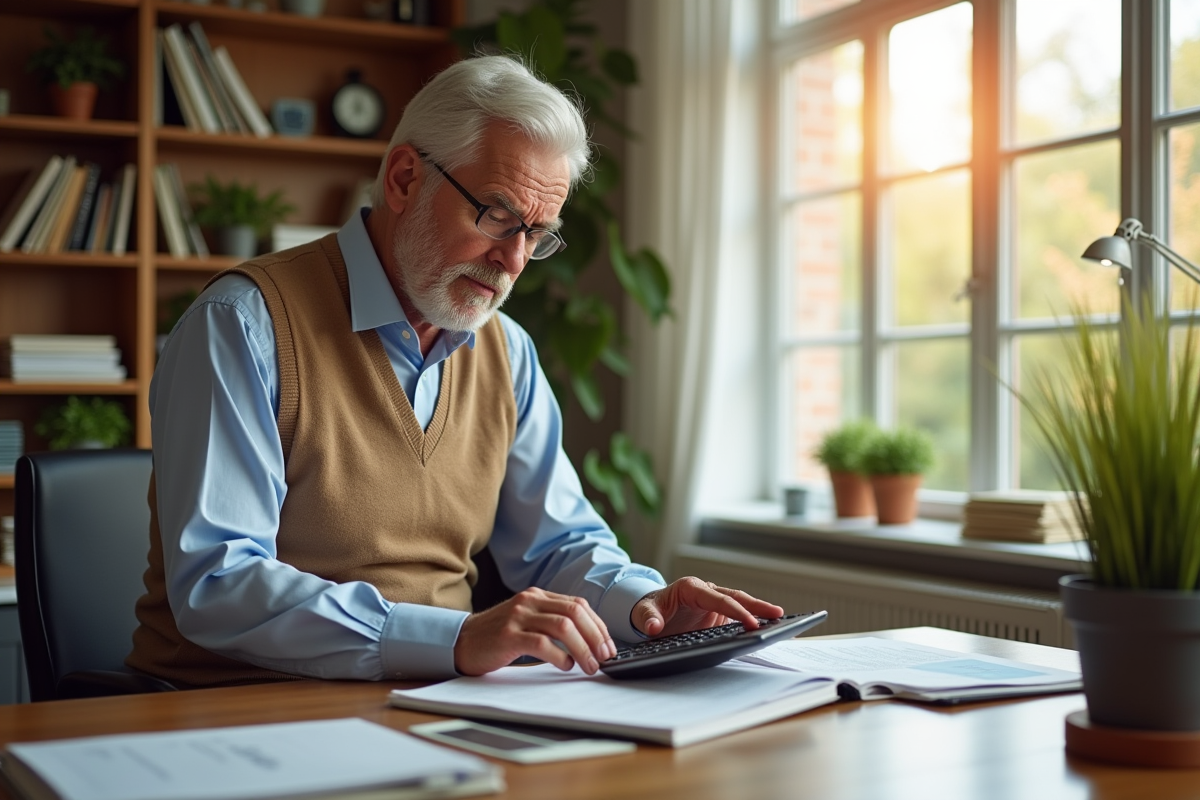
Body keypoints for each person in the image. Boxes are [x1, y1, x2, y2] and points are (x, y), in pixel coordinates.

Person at [127, 55, 782, 687]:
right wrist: (453, 639)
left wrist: (645, 605)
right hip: (234, 706)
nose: (514, 260)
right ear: (404, 179)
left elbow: (559, 546)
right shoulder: (244, 324)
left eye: (536, 234)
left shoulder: (508, 352)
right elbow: (219, 583)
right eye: (497, 215)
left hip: (431, 700)